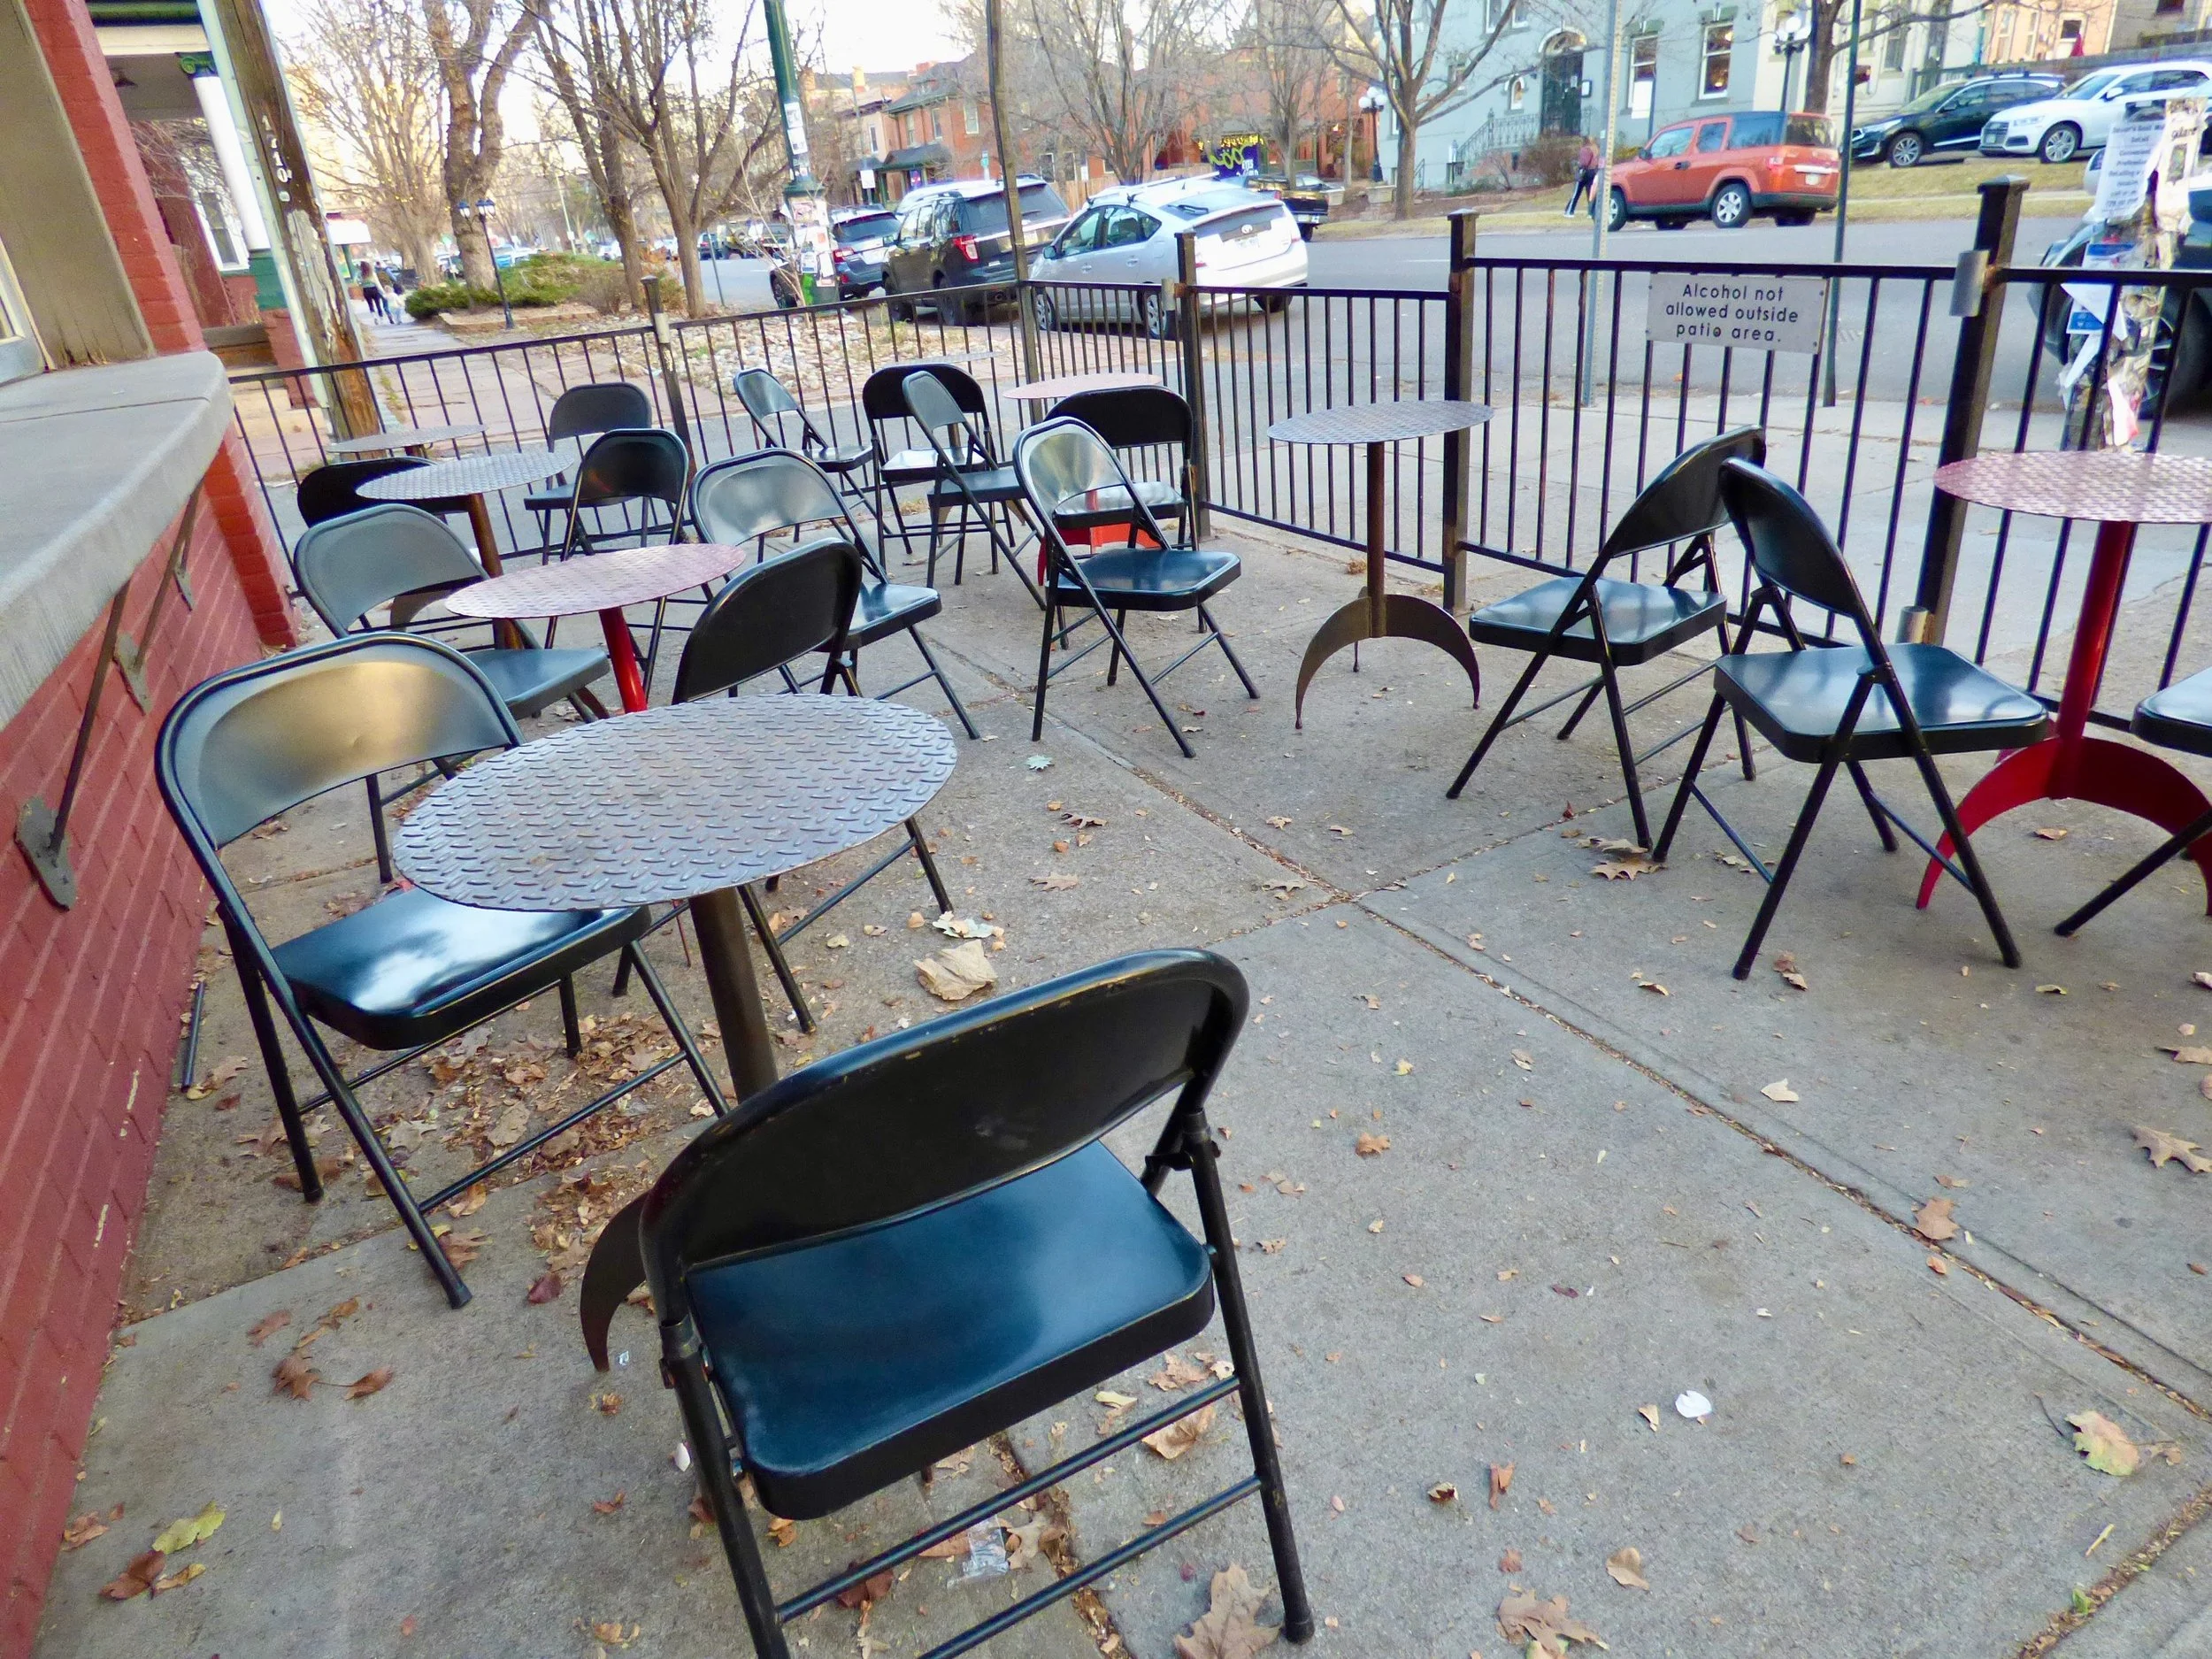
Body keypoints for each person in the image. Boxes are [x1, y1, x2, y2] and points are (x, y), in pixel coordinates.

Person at [1564, 139, 1600, 217]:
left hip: (1583, 172)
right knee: (1590, 193)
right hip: (1592, 172)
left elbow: (1584, 162)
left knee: (1576, 193)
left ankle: (1569, 210)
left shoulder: (1585, 150)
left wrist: (1579, 165)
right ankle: (1591, 212)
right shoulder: (1596, 149)